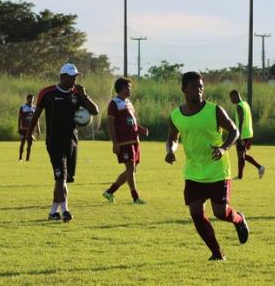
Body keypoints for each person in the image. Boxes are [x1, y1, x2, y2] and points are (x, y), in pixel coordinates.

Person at [165, 72, 249, 261]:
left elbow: (234, 130)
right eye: (194, 86)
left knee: (220, 213)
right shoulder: (176, 115)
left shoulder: (214, 110)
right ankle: (217, 253)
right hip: (193, 172)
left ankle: (238, 219)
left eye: (201, 86)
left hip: (217, 170)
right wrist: (171, 150)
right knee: (196, 213)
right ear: (184, 90)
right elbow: (172, 138)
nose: (199, 90)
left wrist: (223, 147)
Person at [26, 63, 99, 222]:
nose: (75, 79)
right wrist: (28, 135)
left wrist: (84, 96)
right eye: (72, 77)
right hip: (54, 143)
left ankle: (53, 212)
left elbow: (95, 111)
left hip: (72, 143)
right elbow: (36, 115)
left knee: (64, 178)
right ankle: (65, 210)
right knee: (60, 177)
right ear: (62, 76)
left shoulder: (77, 94)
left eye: (76, 76)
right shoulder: (47, 93)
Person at [102, 78, 148, 204]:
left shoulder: (128, 102)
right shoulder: (114, 103)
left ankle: (109, 192)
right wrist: (114, 143)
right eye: (128, 87)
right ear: (122, 88)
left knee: (131, 170)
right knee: (130, 168)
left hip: (134, 141)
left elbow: (131, 121)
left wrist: (140, 129)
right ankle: (135, 198)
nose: (130, 89)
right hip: (124, 142)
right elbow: (110, 124)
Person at [229, 90, 265, 180]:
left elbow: (241, 122)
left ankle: (240, 176)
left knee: (241, 155)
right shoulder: (245, 104)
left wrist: (239, 137)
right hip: (249, 133)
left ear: (235, 96)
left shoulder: (239, 106)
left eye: (231, 98)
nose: (231, 100)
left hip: (243, 135)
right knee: (243, 154)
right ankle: (260, 167)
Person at [18, 94, 40, 162]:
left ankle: (27, 158)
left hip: (31, 129)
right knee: (22, 143)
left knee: (30, 144)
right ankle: (20, 158)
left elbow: (36, 119)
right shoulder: (22, 107)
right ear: (27, 99)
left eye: (33, 99)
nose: (32, 100)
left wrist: (38, 128)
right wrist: (19, 128)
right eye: (30, 99)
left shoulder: (34, 108)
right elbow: (19, 118)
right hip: (23, 128)